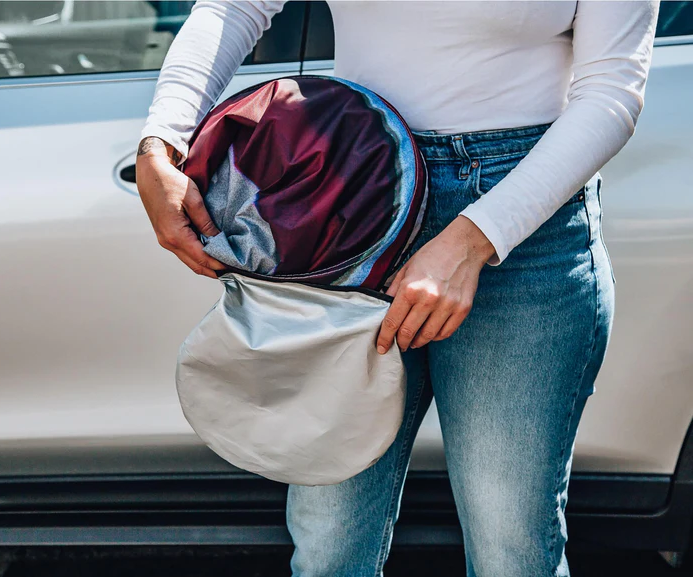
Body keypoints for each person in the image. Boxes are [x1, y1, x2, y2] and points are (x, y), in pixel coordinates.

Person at [135, 2, 659, 575]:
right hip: (350, 198)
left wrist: (475, 239)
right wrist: (162, 137)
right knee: (329, 542)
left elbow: (612, 91)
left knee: (511, 544)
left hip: (525, 220)